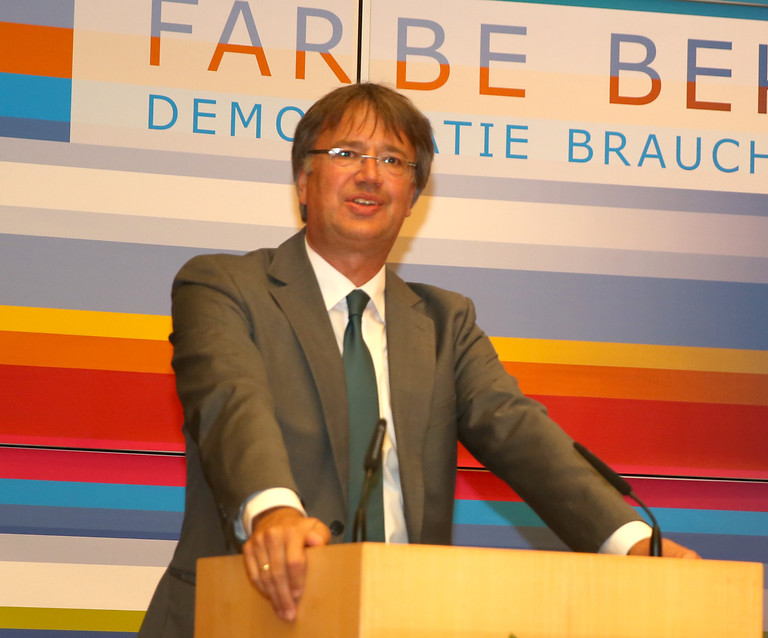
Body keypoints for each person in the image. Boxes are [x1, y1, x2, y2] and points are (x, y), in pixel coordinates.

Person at [137, 82, 698, 638]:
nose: (369, 173)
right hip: (241, 613)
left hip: (402, 618)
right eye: (347, 153)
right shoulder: (224, 286)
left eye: (392, 160)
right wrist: (274, 512)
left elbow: (519, 432)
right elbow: (231, 405)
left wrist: (632, 542)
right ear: (303, 181)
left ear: (411, 199)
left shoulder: (444, 323)